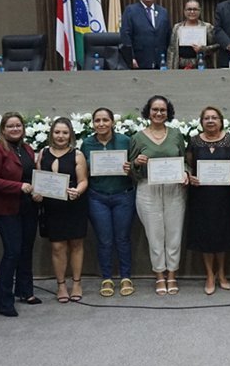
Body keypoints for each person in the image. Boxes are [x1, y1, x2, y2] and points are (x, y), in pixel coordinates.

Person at [129, 95, 188, 295]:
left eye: (163, 110)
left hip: (173, 189)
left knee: (174, 234)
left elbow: (184, 161)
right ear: (148, 111)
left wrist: (186, 173)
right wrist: (137, 163)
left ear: (168, 112)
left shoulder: (176, 134)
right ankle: (159, 276)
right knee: (154, 236)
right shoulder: (137, 137)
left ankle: (172, 275)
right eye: (155, 109)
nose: (159, 113)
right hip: (148, 190)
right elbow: (131, 170)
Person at [0, 112, 41, 317]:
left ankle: (25, 291)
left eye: (18, 125)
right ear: (3, 129)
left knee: (26, 250)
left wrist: (38, 190)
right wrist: (19, 187)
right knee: (12, 252)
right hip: (5, 210)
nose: (15, 129)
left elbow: (33, 176)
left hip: (28, 207)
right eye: (10, 126)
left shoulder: (27, 148)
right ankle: (4, 301)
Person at [81, 107, 136, 298]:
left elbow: (136, 170)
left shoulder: (125, 141)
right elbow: (81, 171)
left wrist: (130, 169)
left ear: (113, 122)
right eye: (97, 121)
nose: (101, 124)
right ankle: (107, 277)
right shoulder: (86, 144)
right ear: (93, 123)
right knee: (104, 240)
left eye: (105, 120)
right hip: (97, 196)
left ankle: (125, 276)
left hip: (123, 195)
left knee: (122, 238)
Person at [33, 117, 89, 303]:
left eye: (65, 132)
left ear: (70, 134)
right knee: (57, 246)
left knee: (76, 244)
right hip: (52, 207)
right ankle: (61, 285)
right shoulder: (43, 153)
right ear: (51, 133)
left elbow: (83, 181)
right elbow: (39, 179)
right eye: (57, 132)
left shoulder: (77, 155)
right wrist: (37, 193)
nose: (61, 136)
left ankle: (77, 283)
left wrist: (77, 191)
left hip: (74, 205)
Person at [186, 106, 230, 295]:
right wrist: (189, 175)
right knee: (205, 236)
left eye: (214, 117)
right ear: (201, 122)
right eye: (206, 118)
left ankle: (222, 273)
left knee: (222, 235)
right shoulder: (194, 141)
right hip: (201, 196)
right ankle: (209, 274)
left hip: (225, 197)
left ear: (221, 120)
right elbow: (188, 164)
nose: (210, 121)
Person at [120, 0, 171, 69]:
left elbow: (168, 37)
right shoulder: (130, 10)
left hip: (161, 62)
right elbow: (125, 36)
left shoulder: (163, 12)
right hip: (139, 62)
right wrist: (130, 58)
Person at [167, 0, 218, 69]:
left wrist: (203, 49)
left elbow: (216, 45)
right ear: (184, 11)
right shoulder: (177, 27)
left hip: (201, 66)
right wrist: (170, 68)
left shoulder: (207, 27)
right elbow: (172, 50)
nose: (192, 12)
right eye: (189, 9)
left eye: (195, 9)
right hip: (180, 67)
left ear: (199, 11)